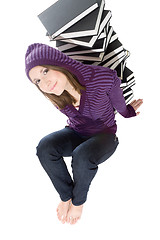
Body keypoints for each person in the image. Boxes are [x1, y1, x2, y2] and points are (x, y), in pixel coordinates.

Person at [25, 43, 143, 225]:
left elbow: (119, 102)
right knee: (45, 147)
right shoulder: (57, 94)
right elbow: (74, 119)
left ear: (59, 63)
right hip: (76, 132)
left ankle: (78, 202)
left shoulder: (101, 78)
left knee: (81, 155)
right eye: (37, 81)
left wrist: (128, 112)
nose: (45, 83)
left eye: (45, 71)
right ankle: (66, 196)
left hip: (104, 136)